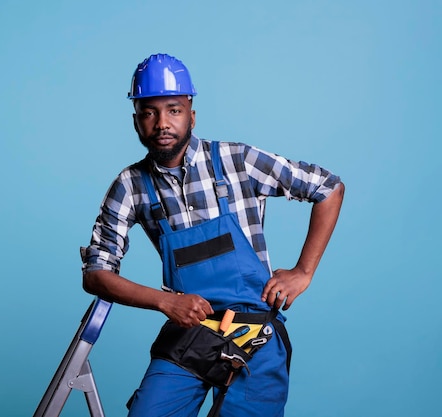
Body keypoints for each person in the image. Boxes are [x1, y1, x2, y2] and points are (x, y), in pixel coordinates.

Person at [81, 53, 344, 417]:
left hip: (256, 334)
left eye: (173, 110)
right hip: (188, 331)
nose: (162, 123)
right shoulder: (130, 186)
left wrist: (304, 271)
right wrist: (165, 302)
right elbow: (96, 275)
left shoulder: (238, 161)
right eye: (149, 112)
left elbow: (328, 188)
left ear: (191, 113)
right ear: (136, 120)